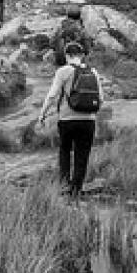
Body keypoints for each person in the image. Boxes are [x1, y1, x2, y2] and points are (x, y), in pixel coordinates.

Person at [37, 40, 103, 196]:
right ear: (81, 56)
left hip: (67, 119)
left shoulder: (63, 71)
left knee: (65, 150)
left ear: (67, 55)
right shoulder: (93, 72)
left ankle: (64, 185)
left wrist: (43, 114)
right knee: (83, 154)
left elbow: (52, 95)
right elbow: (101, 99)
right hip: (88, 121)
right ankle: (76, 190)